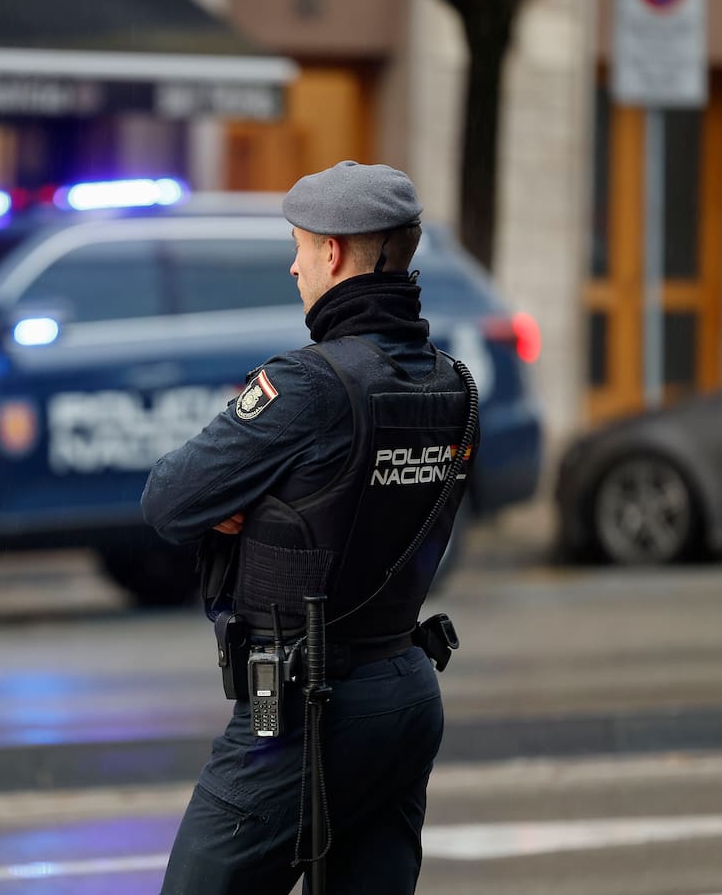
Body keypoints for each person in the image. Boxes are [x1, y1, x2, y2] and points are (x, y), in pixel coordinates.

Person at [140, 160, 479, 895]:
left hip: (306, 707)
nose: (293, 265)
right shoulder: (453, 386)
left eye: (299, 246)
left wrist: (254, 503)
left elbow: (169, 499)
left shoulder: (313, 384)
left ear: (333, 253)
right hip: (407, 690)